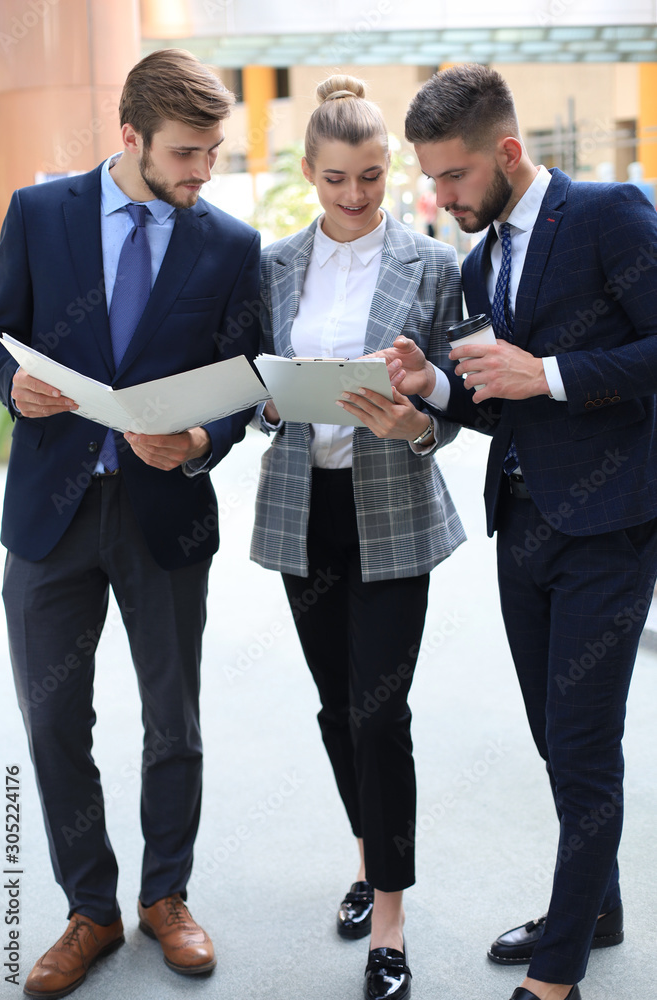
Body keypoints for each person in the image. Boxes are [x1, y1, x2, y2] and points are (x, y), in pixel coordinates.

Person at [340, 63, 657, 1000]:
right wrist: (428, 383)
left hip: (610, 524)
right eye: (430, 179)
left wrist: (550, 373)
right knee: (553, 738)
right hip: (521, 526)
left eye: (452, 177)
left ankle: (559, 970)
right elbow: (494, 400)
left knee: (586, 744)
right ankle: (593, 910)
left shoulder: (606, 216)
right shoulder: (479, 262)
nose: (437, 197)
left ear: (506, 153)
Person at [0, 49, 260, 997]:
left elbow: (250, 380)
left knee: (171, 719)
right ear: (131, 138)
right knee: (55, 718)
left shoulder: (227, 244)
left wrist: (197, 437)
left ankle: (167, 897)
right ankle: (90, 909)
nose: (201, 173)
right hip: (51, 516)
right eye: (186, 153)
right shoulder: (39, 214)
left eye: (212, 154)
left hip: (166, 513)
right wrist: (9, 384)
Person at [250, 74, 465, 1000]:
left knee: (381, 713)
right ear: (308, 172)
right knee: (337, 710)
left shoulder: (432, 266)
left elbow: (450, 413)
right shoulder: (271, 267)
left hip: (392, 514)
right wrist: (265, 398)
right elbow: (259, 396)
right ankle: (367, 857)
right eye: (336, 179)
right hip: (305, 510)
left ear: (390, 172)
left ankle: (389, 919)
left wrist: (413, 412)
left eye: (371, 178)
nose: (353, 197)